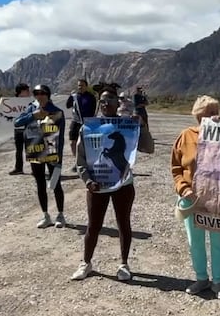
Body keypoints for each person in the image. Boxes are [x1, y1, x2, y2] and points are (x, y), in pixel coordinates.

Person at [71, 86, 139, 281]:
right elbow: (81, 159)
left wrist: (141, 127)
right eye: (102, 100)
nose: (106, 103)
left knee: (123, 223)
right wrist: (87, 180)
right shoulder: (88, 127)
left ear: (118, 103)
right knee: (93, 225)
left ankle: (124, 264)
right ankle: (86, 263)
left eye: (110, 99)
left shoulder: (128, 126)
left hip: (123, 184)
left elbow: (148, 148)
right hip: (97, 184)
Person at [171, 95, 220, 299]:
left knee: (218, 240)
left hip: (216, 198)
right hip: (191, 197)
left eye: (216, 111)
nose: (214, 116)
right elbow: (176, 168)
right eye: (209, 112)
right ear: (199, 115)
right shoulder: (185, 136)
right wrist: (183, 188)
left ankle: (219, 281)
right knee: (194, 240)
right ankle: (201, 277)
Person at [14, 84, 67, 228]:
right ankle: (45, 215)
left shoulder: (57, 112)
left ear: (48, 95)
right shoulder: (31, 109)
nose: (40, 96)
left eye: (43, 93)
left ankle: (61, 215)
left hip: (51, 153)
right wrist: (33, 115)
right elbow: (17, 122)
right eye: (37, 93)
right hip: (35, 152)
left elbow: (60, 137)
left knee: (55, 183)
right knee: (40, 184)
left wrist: (60, 157)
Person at [66, 79, 97, 172]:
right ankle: (77, 162)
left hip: (87, 122)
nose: (80, 87)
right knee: (73, 142)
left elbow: (93, 110)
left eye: (82, 85)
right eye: (79, 85)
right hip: (75, 121)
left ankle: (87, 162)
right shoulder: (75, 96)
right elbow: (68, 105)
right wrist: (70, 96)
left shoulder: (91, 97)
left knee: (86, 144)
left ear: (86, 86)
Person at [9, 83, 31, 175]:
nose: (29, 92)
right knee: (19, 150)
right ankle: (18, 168)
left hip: (29, 129)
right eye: (27, 90)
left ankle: (35, 168)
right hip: (18, 129)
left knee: (30, 150)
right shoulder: (13, 102)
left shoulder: (32, 102)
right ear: (21, 92)